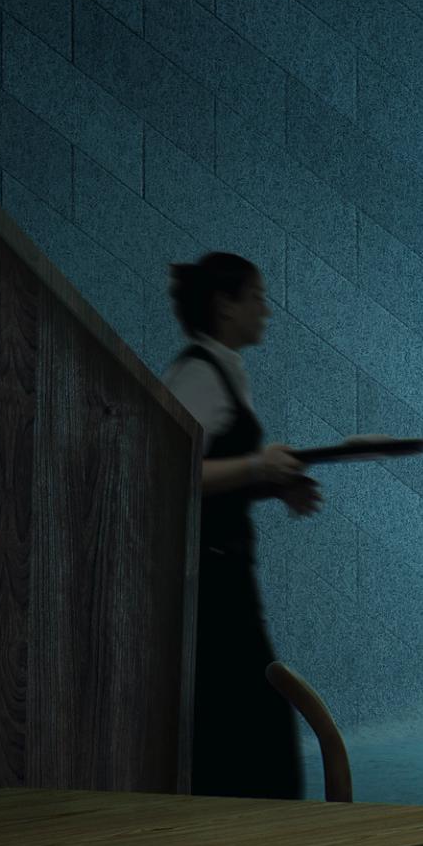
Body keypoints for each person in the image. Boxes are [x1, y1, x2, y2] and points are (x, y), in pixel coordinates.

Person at [165, 251, 314, 799]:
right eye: (256, 297)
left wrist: (270, 484)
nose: (267, 311)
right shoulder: (199, 378)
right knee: (253, 722)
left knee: (245, 722)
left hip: (221, 573)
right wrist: (257, 467)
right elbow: (169, 469)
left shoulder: (217, 370)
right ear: (226, 305)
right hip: (209, 581)